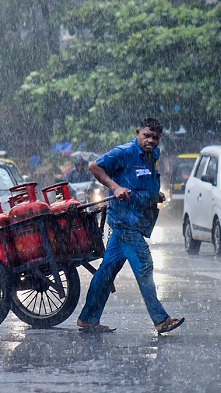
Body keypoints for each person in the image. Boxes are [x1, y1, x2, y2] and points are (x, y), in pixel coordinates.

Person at [76, 117, 185, 335]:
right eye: (146, 136)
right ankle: (161, 320)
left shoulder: (154, 155)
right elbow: (95, 167)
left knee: (107, 271)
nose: (150, 141)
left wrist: (156, 195)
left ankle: (88, 319)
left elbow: (144, 180)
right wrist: (115, 187)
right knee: (145, 267)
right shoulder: (123, 152)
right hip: (126, 222)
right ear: (138, 133)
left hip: (137, 220)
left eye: (155, 137)